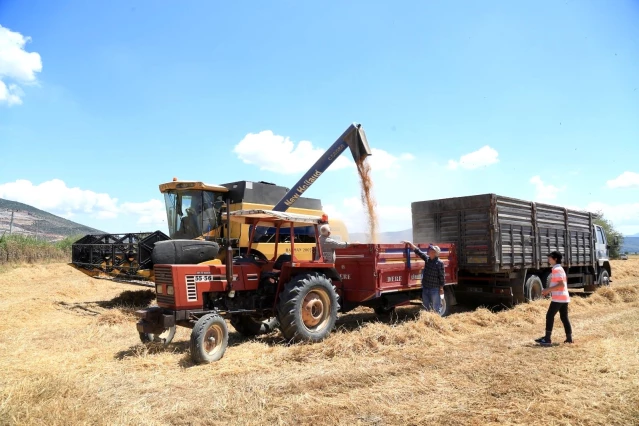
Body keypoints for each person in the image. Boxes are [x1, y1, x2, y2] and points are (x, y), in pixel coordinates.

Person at [536, 251, 573, 346]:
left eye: (550, 257)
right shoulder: (559, 269)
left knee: (549, 316)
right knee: (564, 317)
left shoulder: (556, 269)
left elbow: (560, 285)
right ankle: (569, 339)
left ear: (555, 259)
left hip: (559, 298)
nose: (548, 259)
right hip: (563, 297)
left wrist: (548, 290)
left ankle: (547, 339)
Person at [402, 241, 445, 312]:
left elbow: (442, 277)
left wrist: (441, 289)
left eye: (431, 250)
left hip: (434, 289)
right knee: (426, 307)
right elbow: (418, 252)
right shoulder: (427, 259)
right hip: (426, 288)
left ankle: (436, 321)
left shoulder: (440, 263)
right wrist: (410, 243)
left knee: (436, 308)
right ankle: (427, 321)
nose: (428, 250)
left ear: (434, 252)